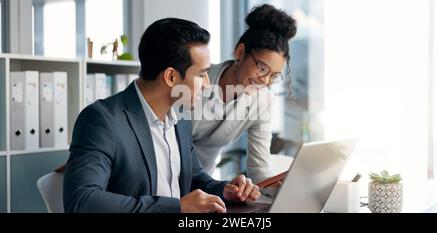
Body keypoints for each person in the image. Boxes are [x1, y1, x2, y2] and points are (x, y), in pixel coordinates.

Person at [63, 18, 260, 213]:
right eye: (201, 75)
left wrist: (225, 190)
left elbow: (192, 177)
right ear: (171, 77)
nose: (207, 84)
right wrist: (177, 207)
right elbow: (82, 201)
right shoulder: (102, 120)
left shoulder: (180, 116)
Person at [191, 4, 297, 184]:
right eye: (262, 68)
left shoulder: (263, 102)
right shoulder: (196, 80)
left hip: (202, 185)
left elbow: (259, 168)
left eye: (274, 76)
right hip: (162, 181)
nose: (265, 80)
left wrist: (277, 189)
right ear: (240, 53)